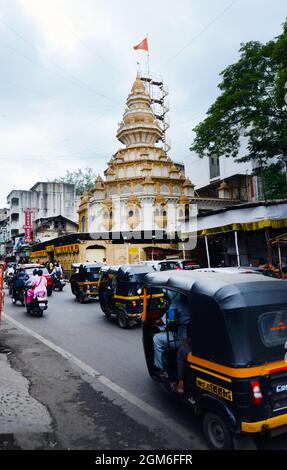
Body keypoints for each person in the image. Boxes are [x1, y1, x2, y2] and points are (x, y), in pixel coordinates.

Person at [153, 291, 190, 378]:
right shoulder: (194, 304)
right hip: (193, 339)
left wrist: (155, 324)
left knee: (156, 338)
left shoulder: (176, 305)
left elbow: (164, 322)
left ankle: (160, 369)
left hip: (182, 341)